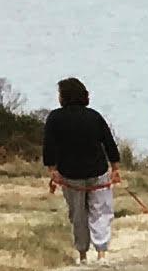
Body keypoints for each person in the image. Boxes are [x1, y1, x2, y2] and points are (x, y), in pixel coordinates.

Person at [39, 79, 122, 260]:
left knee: (78, 214)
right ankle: (101, 252)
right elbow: (109, 142)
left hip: (70, 174)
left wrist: (52, 169)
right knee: (101, 211)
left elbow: (49, 146)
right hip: (97, 171)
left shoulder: (55, 118)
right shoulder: (94, 116)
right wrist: (115, 167)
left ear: (63, 97)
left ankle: (82, 253)